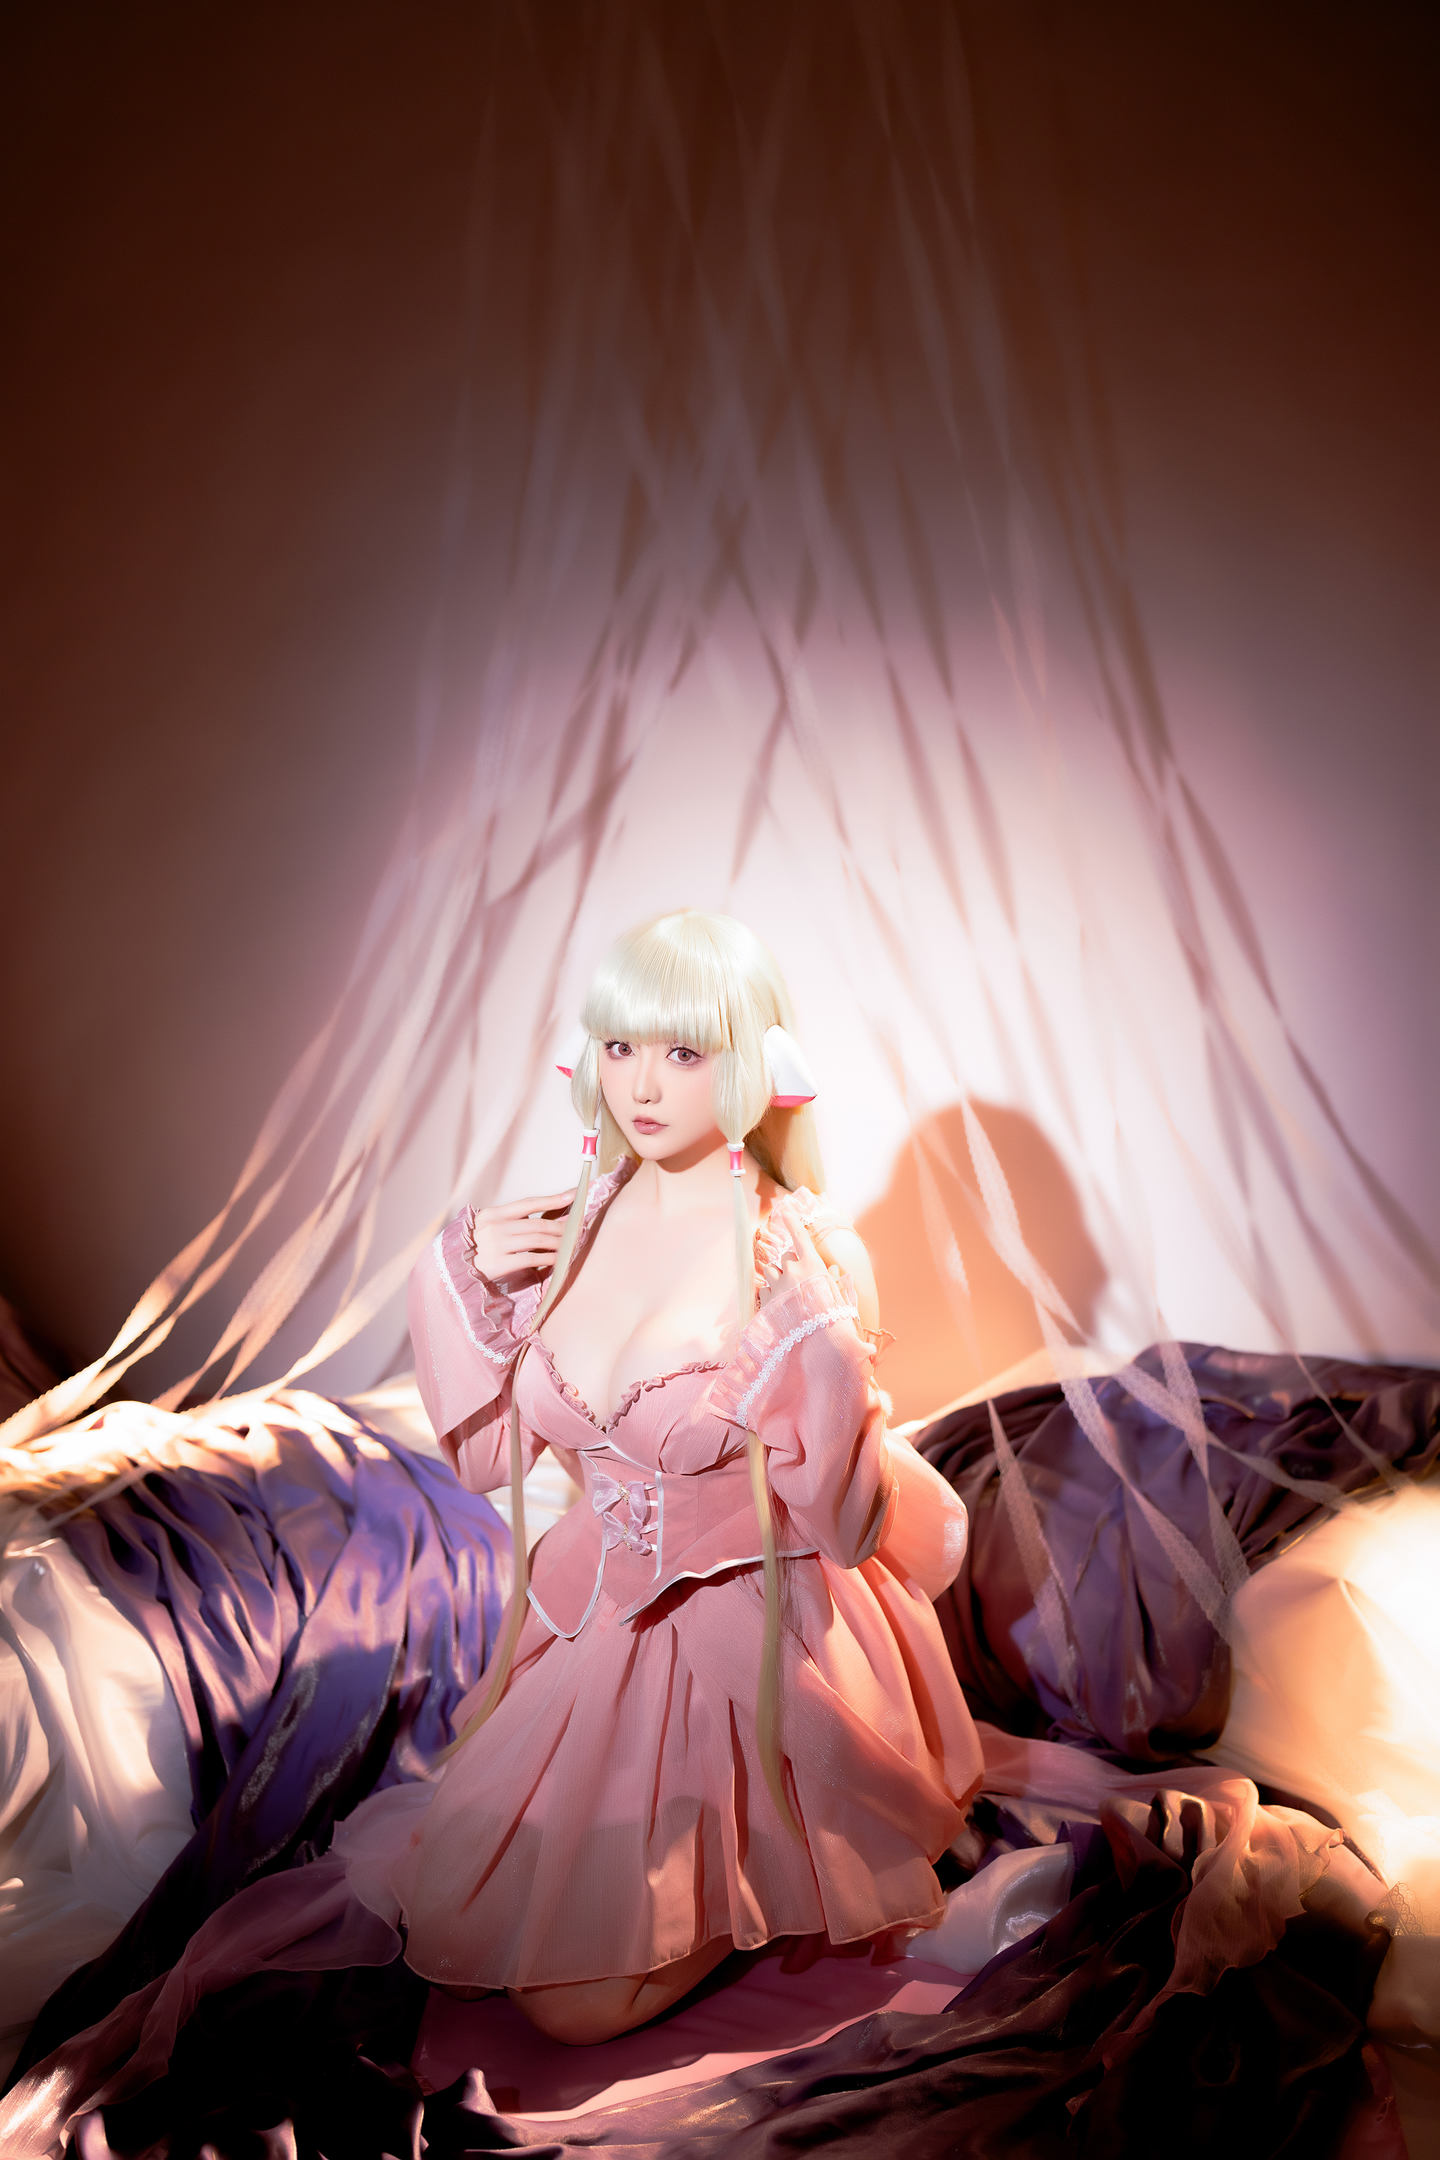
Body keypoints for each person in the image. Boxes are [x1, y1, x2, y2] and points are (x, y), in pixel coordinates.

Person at [333, 906, 982, 2042]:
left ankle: (772, 1876)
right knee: (461, 1913)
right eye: (620, 1045)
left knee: (573, 2007)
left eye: (683, 1052)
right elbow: (491, 1457)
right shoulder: (569, 1226)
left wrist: (818, 1353)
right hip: (590, 1619)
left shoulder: (805, 1254)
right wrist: (452, 1277)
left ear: (753, 1066)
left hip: (759, 1641)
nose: (640, 1083)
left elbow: (844, 1524)